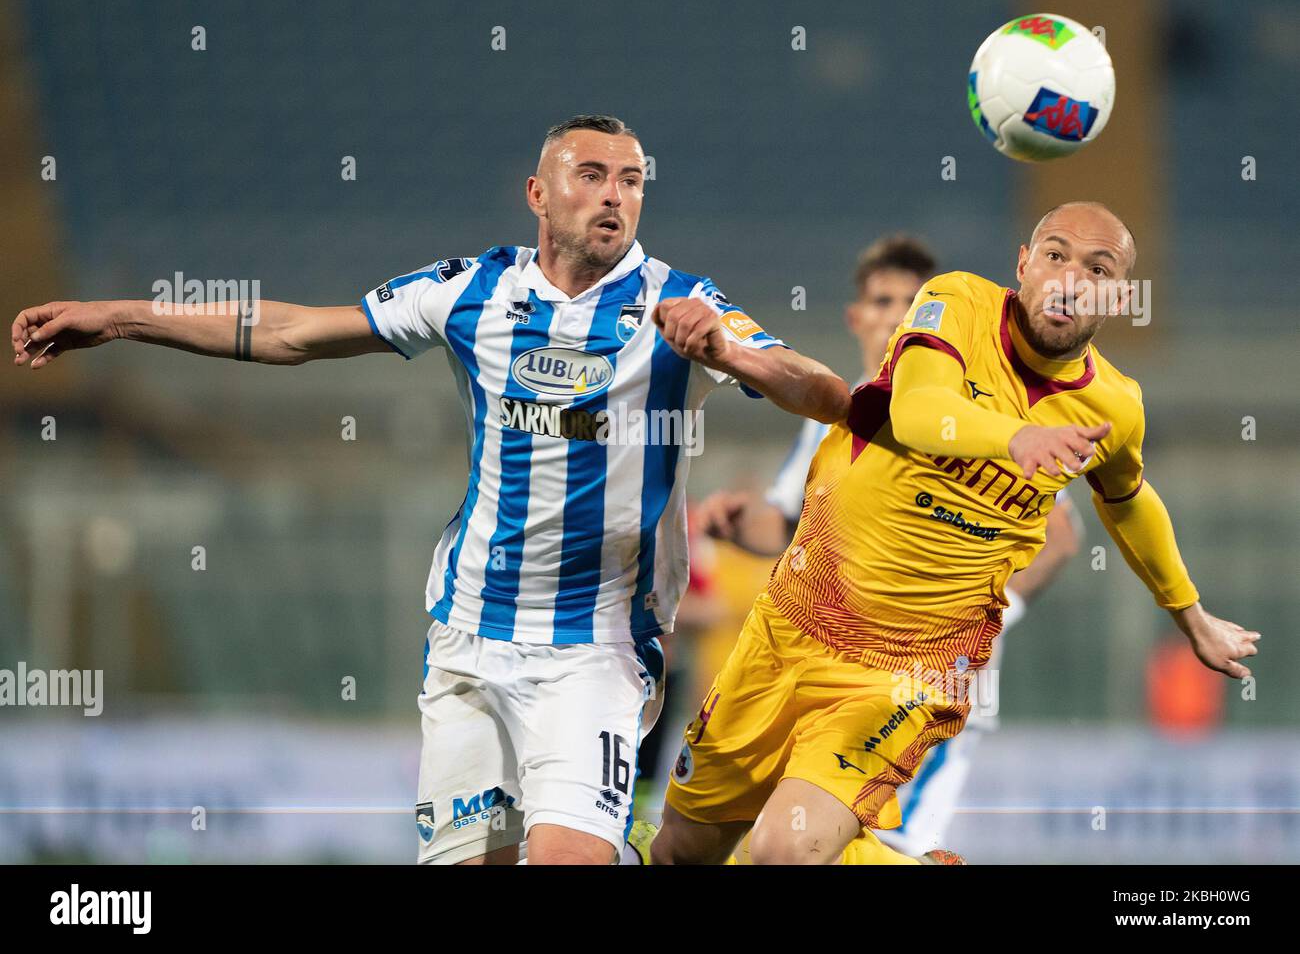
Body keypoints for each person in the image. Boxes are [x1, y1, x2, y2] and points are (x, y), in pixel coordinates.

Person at [10, 114, 849, 866]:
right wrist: (119, 317)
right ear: (538, 193)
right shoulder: (472, 291)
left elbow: (823, 395)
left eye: (631, 180)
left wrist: (733, 355)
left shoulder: (681, 304)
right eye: (590, 174)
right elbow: (295, 332)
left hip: (597, 651)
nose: (614, 196)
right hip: (470, 640)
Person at [651, 201, 1261, 865]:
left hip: (908, 670)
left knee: (781, 852)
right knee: (681, 852)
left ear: (1117, 295)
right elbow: (918, 413)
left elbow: (1129, 498)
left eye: (1097, 268)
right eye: (1054, 254)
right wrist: (1016, 436)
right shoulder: (958, 303)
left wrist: (1188, 612)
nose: (1069, 278)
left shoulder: (1113, 405)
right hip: (788, 627)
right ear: (1023, 264)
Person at [696, 233, 1082, 860]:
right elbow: (793, 526)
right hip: (836, 683)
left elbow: (1059, 534)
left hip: (926, 685)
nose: (898, 315)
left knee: (872, 845)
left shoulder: (971, 403)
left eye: (914, 302)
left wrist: (988, 612)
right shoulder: (843, 406)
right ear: (857, 317)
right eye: (883, 300)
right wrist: (740, 524)